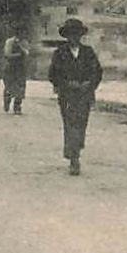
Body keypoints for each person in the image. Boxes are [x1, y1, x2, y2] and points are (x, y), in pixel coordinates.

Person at [47, 18, 102, 176]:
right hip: (67, 96)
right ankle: (74, 159)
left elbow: (97, 72)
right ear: (67, 36)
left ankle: (74, 151)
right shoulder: (60, 53)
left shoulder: (88, 52)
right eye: (71, 34)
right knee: (70, 123)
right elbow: (53, 75)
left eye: (76, 34)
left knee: (81, 124)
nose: (74, 37)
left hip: (84, 95)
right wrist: (67, 84)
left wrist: (89, 84)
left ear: (80, 36)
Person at [1, 25, 31, 115]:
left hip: (20, 67)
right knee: (9, 85)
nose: (22, 34)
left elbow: (27, 53)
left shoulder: (24, 42)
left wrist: (21, 48)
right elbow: (7, 54)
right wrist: (18, 55)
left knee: (21, 86)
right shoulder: (10, 42)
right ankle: (7, 101)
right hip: (10, 66)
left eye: (23, 32)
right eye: (20, 32)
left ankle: (17, 106)